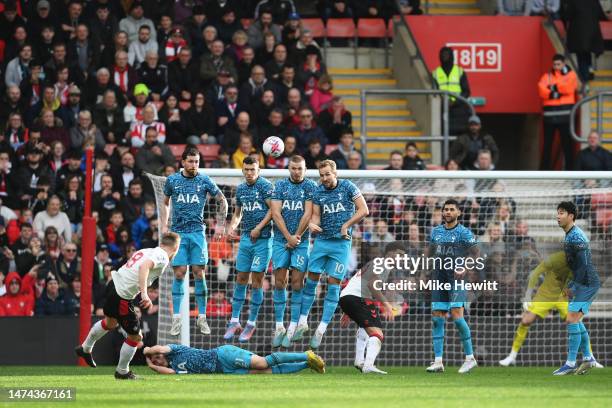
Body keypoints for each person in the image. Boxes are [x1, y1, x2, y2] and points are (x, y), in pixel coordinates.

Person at [75, 232, 180, 379]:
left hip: (113, 284)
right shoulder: (162, 256)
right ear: (176, 248)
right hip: (122, 295)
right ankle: (122, 371)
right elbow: (144, 267)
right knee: (136, 337)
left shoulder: (146, 250)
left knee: (111, 322)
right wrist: (144, 294)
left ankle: (85, 348)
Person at [290, 160, 369, 349]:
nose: (324, 178)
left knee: (334, 285)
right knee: (311, 280)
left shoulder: (348, 187)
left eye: (327, 174)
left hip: (341, 244)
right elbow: (316, 216)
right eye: (322, 175)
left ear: (335, 173)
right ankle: (303, 321)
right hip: (322, 242)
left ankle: (321, 329)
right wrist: (312, 224)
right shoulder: (318, 191)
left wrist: (346, 225)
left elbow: (364, 210)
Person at [162, 146, 228, 336]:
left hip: (198, 233)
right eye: (190, 161)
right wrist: (164, 223)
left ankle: (202, 317)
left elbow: (222, 199)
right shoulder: (173, 180)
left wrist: (221, 224)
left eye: (197, 161)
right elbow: (166, 202)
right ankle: (176, 319)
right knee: (180, 273)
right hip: (178, 234)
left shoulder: (204, 180)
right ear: (183, 162)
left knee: (199, 273)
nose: (194, 165)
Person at [499, 251, 604, 369]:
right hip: (544, 295)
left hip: (561, 297)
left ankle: (590, 358)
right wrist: (528, 296)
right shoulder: (555, 259)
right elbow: (535, 273)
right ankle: (512, 357)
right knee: (525, 321)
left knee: (577, 323)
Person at [223, 156, 274, 342]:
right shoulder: (242, 189)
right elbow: (238, 213)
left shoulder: (266, 186)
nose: (250, 173)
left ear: (258, 170)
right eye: (246, 170)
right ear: (243, 170)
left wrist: (259, 228)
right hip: (245, 239)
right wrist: (232, 226)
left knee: (257, 280)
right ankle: (235, 320)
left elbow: (273, 210)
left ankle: (251, 322)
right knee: (241, 278)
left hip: (263, 239)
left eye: (253, 170)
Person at [269, 155, 318, 347]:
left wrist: (296, 236)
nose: (296, 172)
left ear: (305, 169)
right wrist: (288, 237)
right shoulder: (280, 186)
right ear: (288, 168)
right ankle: (279, 326)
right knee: (280, 281)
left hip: (301, 241)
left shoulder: (311, 187)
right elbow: (275, 213)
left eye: (300, 168)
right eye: (293, 168)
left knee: (298, 282)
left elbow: (308, 214)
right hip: (281, 241)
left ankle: (294, 325)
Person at [426, 199, 479, 374]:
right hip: (439, 278)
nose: (448, 212)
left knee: (457, 315)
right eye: (445, 209)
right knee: (437, 318)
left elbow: (477, 253)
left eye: (451, 209)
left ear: (458, 213)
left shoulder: (464, 232)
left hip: (456, 280)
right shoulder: (436, 232)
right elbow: (431, 252)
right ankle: (438, 361)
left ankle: (470, 358)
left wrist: (465, 266)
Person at [340, 242, 406, 374]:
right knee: (377, 334)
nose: (402, 259)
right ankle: (368, 365)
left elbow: (358, 283)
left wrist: (347, 311)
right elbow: (372, 285)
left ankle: (360, 361)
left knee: (365, 327)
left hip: (348, 296)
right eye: (400, 255)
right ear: (390, 253)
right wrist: (387, 305)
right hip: (357, 299)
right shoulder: (382, 264)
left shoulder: (375, 263)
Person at [552, 201, 601, 375]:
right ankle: (588, 358)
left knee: (571, 319)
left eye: (562, 213)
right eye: (557, 212)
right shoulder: (569, 235)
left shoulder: (576, 237)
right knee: (575, 319)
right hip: (585, 282)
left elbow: (585, 264)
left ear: (571, 216)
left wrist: (573, 285)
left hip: (587, 283)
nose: (558, 216)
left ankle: (571, 363)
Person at [143, 344, 324, 375]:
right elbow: (167, 372)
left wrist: (148, 351)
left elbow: (160, 349)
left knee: (262, 362)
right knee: (267, 372)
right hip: (225, 369)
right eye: (155, 360)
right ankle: (307, 363)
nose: (158, 360)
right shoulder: (175, 368)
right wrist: (151, 365)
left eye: (157, 358)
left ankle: (305, 354)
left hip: (223, 355)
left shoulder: (175, 350)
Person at [538, 54, 578, 170]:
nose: (556, 67)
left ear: (564, 63)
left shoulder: (571, 75)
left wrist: (552, 88)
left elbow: (569, 88)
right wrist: (555, 92)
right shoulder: (547, 76)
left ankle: (570, 171)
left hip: (565, 116)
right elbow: (541, 90)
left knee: (567, 145)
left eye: (558, 64)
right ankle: (544, 171)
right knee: (547, 145)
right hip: (549, 116)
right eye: (555, 64)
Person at [432, 46, 471, 136]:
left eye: (447, 54)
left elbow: (466, 92)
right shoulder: (435, 73)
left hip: (459, 110)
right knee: (444, 136)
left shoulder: (460, 71)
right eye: (442, 55)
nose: (444, 57)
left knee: (460, 138)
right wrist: (443, 102)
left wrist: (455, 102)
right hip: (443, 109)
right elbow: (434, 93)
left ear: (452, 56)